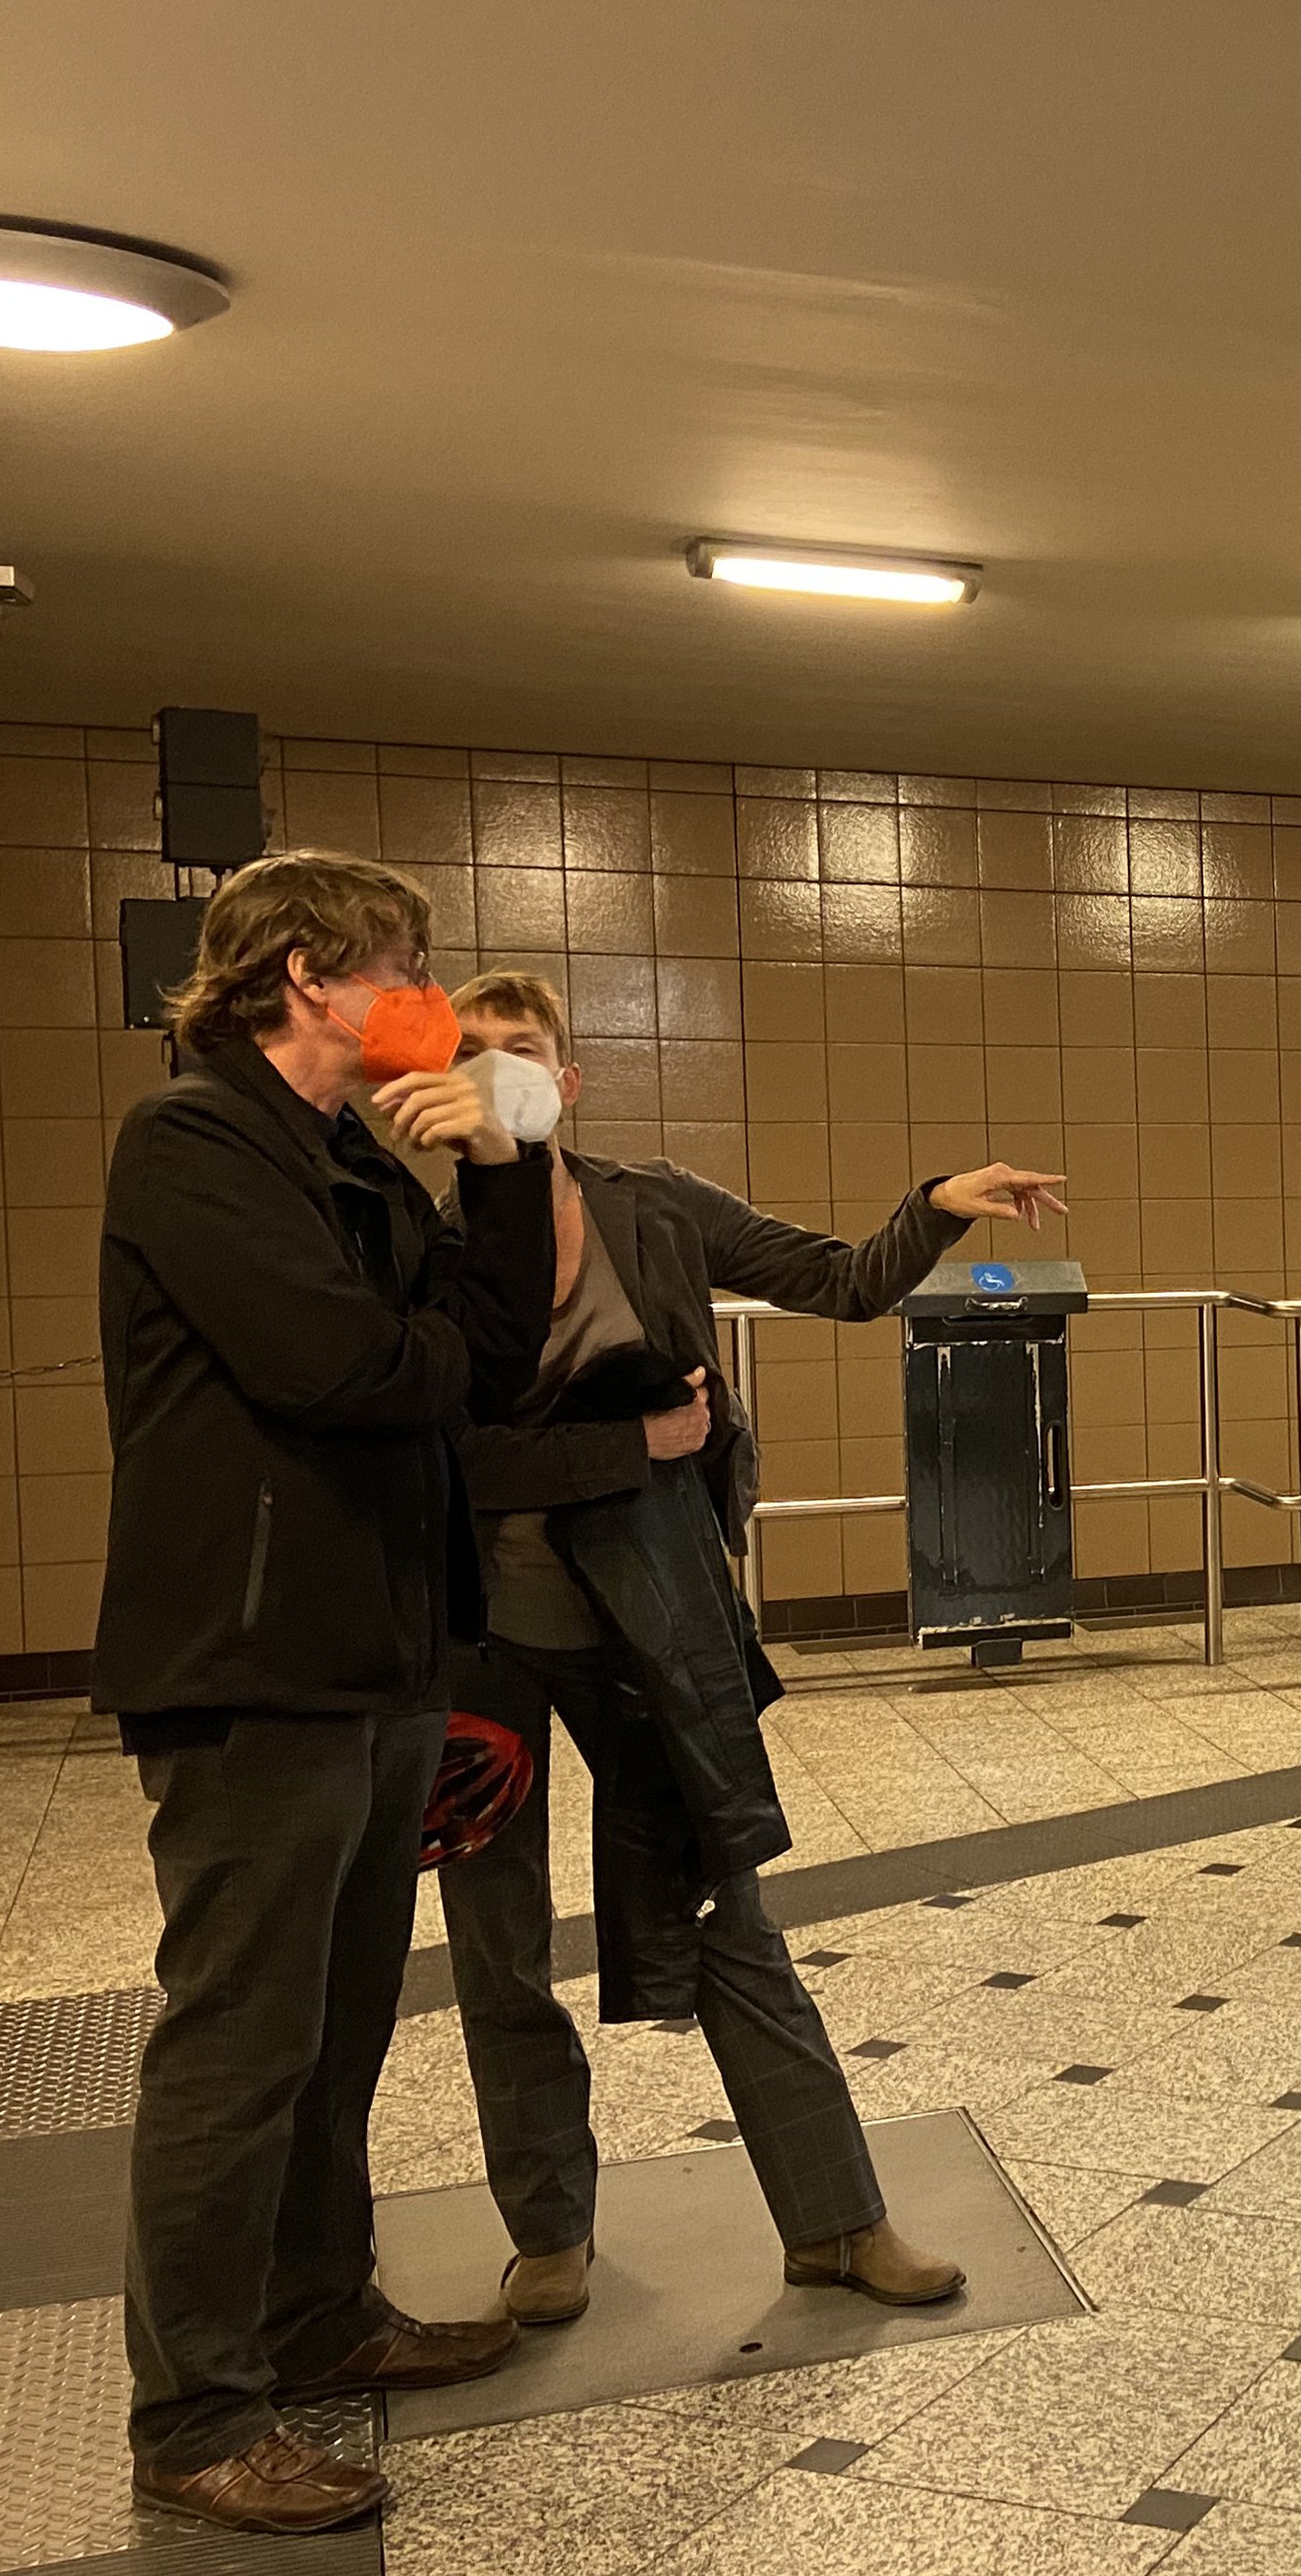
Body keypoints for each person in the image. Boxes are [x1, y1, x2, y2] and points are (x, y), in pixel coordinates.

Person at [430, 967, 1065, 2324]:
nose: (497, 1072)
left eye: (521, 1050)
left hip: (652, 1618)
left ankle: (837, 2221)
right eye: (470, 1051)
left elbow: (836, 1281)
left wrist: (939, 1206)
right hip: (480, 1632)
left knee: (732, 1912)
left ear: (566, 1080)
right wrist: (631, 1442)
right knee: (495, 1944)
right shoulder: (419, 1245)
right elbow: (437, 1454)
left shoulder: (652, 1206)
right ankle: (549, 2233)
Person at [98, 851, 555, 2535]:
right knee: (240, 2041)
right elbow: (340, 1368)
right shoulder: (193, 1140)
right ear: (306, 972)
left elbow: (492, 1358)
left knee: (342, 2021)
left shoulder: (358, 1158)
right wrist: (428, 1361)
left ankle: (315, 2314)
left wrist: (503, 1167)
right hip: (255, 1653)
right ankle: (198, 2415)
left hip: (379, 1646)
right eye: (405, 967)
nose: (427, 998)